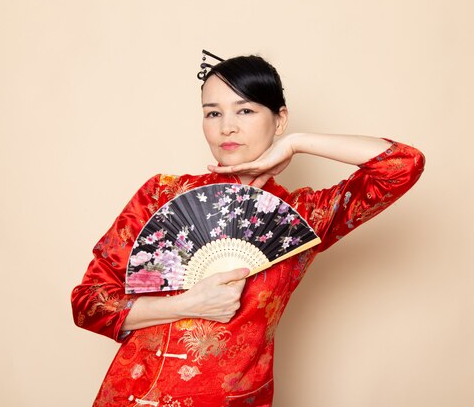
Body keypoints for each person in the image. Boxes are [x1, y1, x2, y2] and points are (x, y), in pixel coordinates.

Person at [71, 52, 425, 407]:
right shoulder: (161, 194)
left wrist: (297, 143)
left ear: (279, 119)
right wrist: (187, 305)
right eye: (213, 112)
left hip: (233, 399)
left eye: (245, 110)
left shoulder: (301, 217)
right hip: (133, 393)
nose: (227, 127)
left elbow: (403, 164)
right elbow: (88, 303)